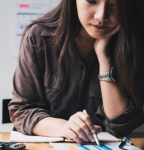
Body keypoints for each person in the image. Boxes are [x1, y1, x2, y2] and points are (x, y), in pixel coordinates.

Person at [8, 0, 144, 145]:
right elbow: (22, 110)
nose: (101, 16)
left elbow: (121, 126)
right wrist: (65, 128)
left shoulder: (134, 44)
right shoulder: (38, 36)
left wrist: (104, 57)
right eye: (92, 1)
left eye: (114, 4)